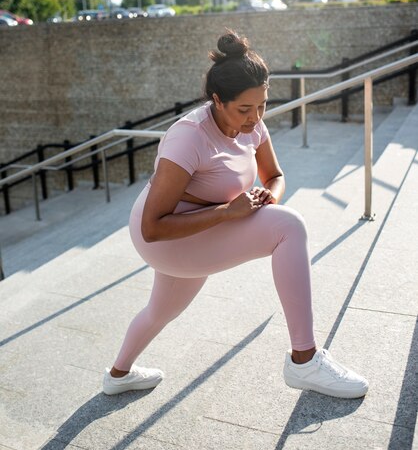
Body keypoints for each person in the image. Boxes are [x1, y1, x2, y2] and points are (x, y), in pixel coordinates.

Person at [103, 30, 369, 399]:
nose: (256, 117)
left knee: (161, 311)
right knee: (289, 227)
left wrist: (267, 198)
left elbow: (275, 176)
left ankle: (118, 375)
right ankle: (304, 361)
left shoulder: (253, 125)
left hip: (202, 227)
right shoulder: (189, 137)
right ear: (217, 100)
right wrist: (230, 211)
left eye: (261, 105)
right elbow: (153, 227)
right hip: (167, 238)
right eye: (245, 109)